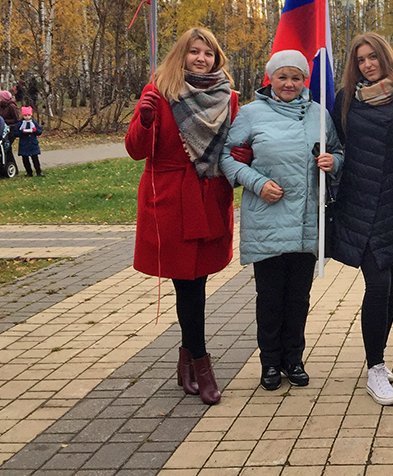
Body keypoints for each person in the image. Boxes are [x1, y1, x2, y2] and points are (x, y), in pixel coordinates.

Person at [125, 27, 238, 405]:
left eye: (208, 52)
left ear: (216, 58)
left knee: (197, 282)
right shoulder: (160, 92)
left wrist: (244, 157)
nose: (201, 58)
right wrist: (144, 120)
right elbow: (137, 150)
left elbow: (235, 148)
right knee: (187, 284)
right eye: (194, 51)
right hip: (171, 201)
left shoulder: (228, 98)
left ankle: (186, 361)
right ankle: (201, 365)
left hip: (209, 199)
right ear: (181, 55)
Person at [220, 50, 342, 392]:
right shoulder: (250, 114)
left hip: (306, 222)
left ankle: (294, 360)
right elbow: (227, 157)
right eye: (282, 77)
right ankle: (270, 363)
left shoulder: (319, 115)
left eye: (296, 77)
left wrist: (334, 162)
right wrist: (257, 183)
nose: (289, 84)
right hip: (267, 221)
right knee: (271, 298)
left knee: (299, 298)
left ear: (305, 80)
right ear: (270, 79)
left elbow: (337, 150)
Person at [329, 33, 393, 406]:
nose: (367, 65)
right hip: (359, 203)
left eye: (373, 57)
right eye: (360, 60)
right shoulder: (345, 99)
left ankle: (378, 353)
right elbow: (335, 143)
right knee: (378, 285)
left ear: (385, 57)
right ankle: (375, 368)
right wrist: (329, 161)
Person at [11, 106, 44, 176]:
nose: (27, 117)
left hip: (33, 143)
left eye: (28, 115)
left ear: (31, 115)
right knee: (25, 159)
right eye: (25, 115)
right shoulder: (20, 123)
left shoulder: (34, 122)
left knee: (35, 158)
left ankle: (38, 172)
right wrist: (22, 132)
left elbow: (40, 132)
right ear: (22, 116)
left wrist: (35, 130)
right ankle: (29, 172)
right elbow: (16, 133)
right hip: (24, 144)